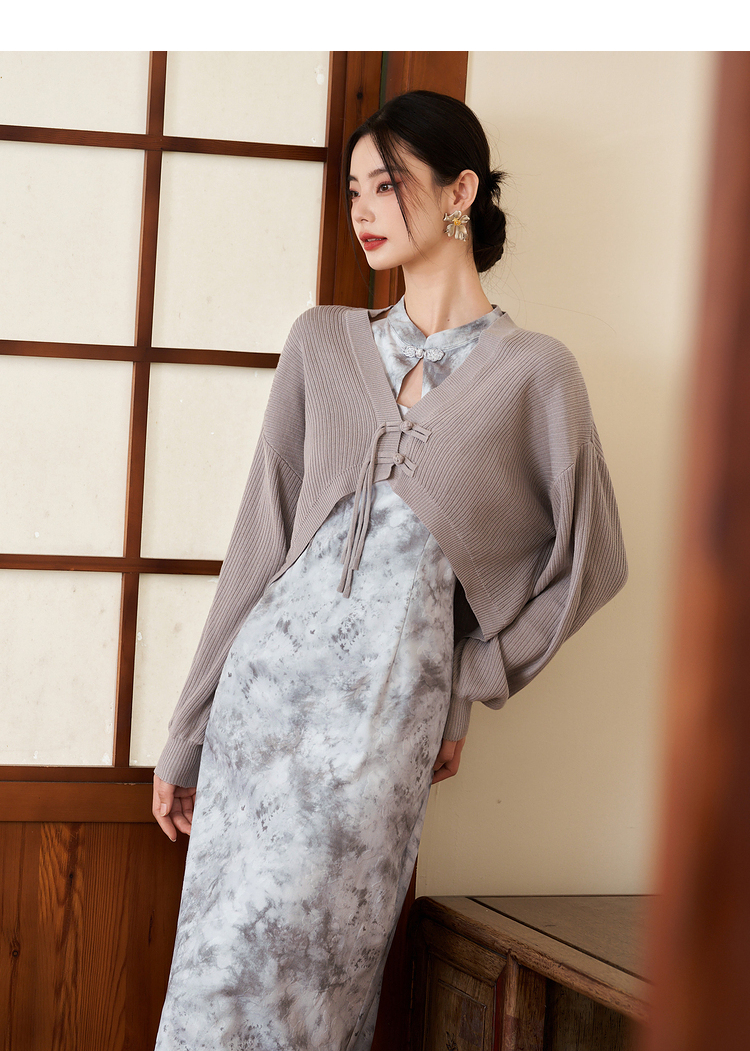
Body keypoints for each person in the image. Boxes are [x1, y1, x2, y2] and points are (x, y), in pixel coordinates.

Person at [151, 90, 628, 1051]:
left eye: (388, 184)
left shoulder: (535, 374)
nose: (364, 210)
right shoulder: (322, 343)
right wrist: (187, 729)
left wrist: (463, 684)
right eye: (354, 190)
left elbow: (593, 560)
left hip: (379, 730)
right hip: (259, 712)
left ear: (460, 191)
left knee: (315, 989)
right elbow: (260, 538)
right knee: (214, 979)